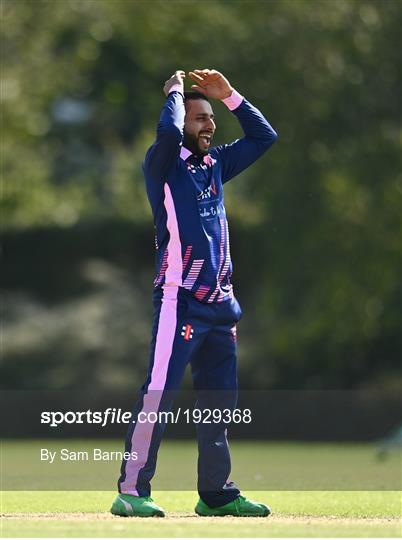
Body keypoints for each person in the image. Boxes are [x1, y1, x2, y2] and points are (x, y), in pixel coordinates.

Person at [111, 69, 278, 518]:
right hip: (178, 299)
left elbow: (265, 137)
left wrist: (231, 98)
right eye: (199, 118)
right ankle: (131, 489)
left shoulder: (216, 164)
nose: (209, 125)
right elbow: (167, 129)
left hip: (222, 305)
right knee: (159, 392)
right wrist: (176, 92)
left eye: (210, 118)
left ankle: (217, 493)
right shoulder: (162, 164)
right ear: (182, 122)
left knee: (219, 402)